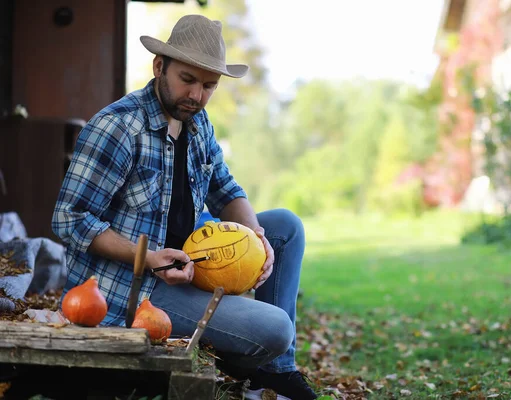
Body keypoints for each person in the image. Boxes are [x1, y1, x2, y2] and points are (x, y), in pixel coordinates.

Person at [52, 14, 317, 400]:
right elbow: (68, 219)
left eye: (209, 86)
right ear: (159, 66)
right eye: (187, 80)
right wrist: (148, 259)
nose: (196, 95)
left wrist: (258, 242)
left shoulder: (196, 121)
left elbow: (226, 191)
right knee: (276, 329)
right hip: (134, 287)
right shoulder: (118, 128)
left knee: (284, 227)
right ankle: (253, 357)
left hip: (190, 262)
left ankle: (275, 372)